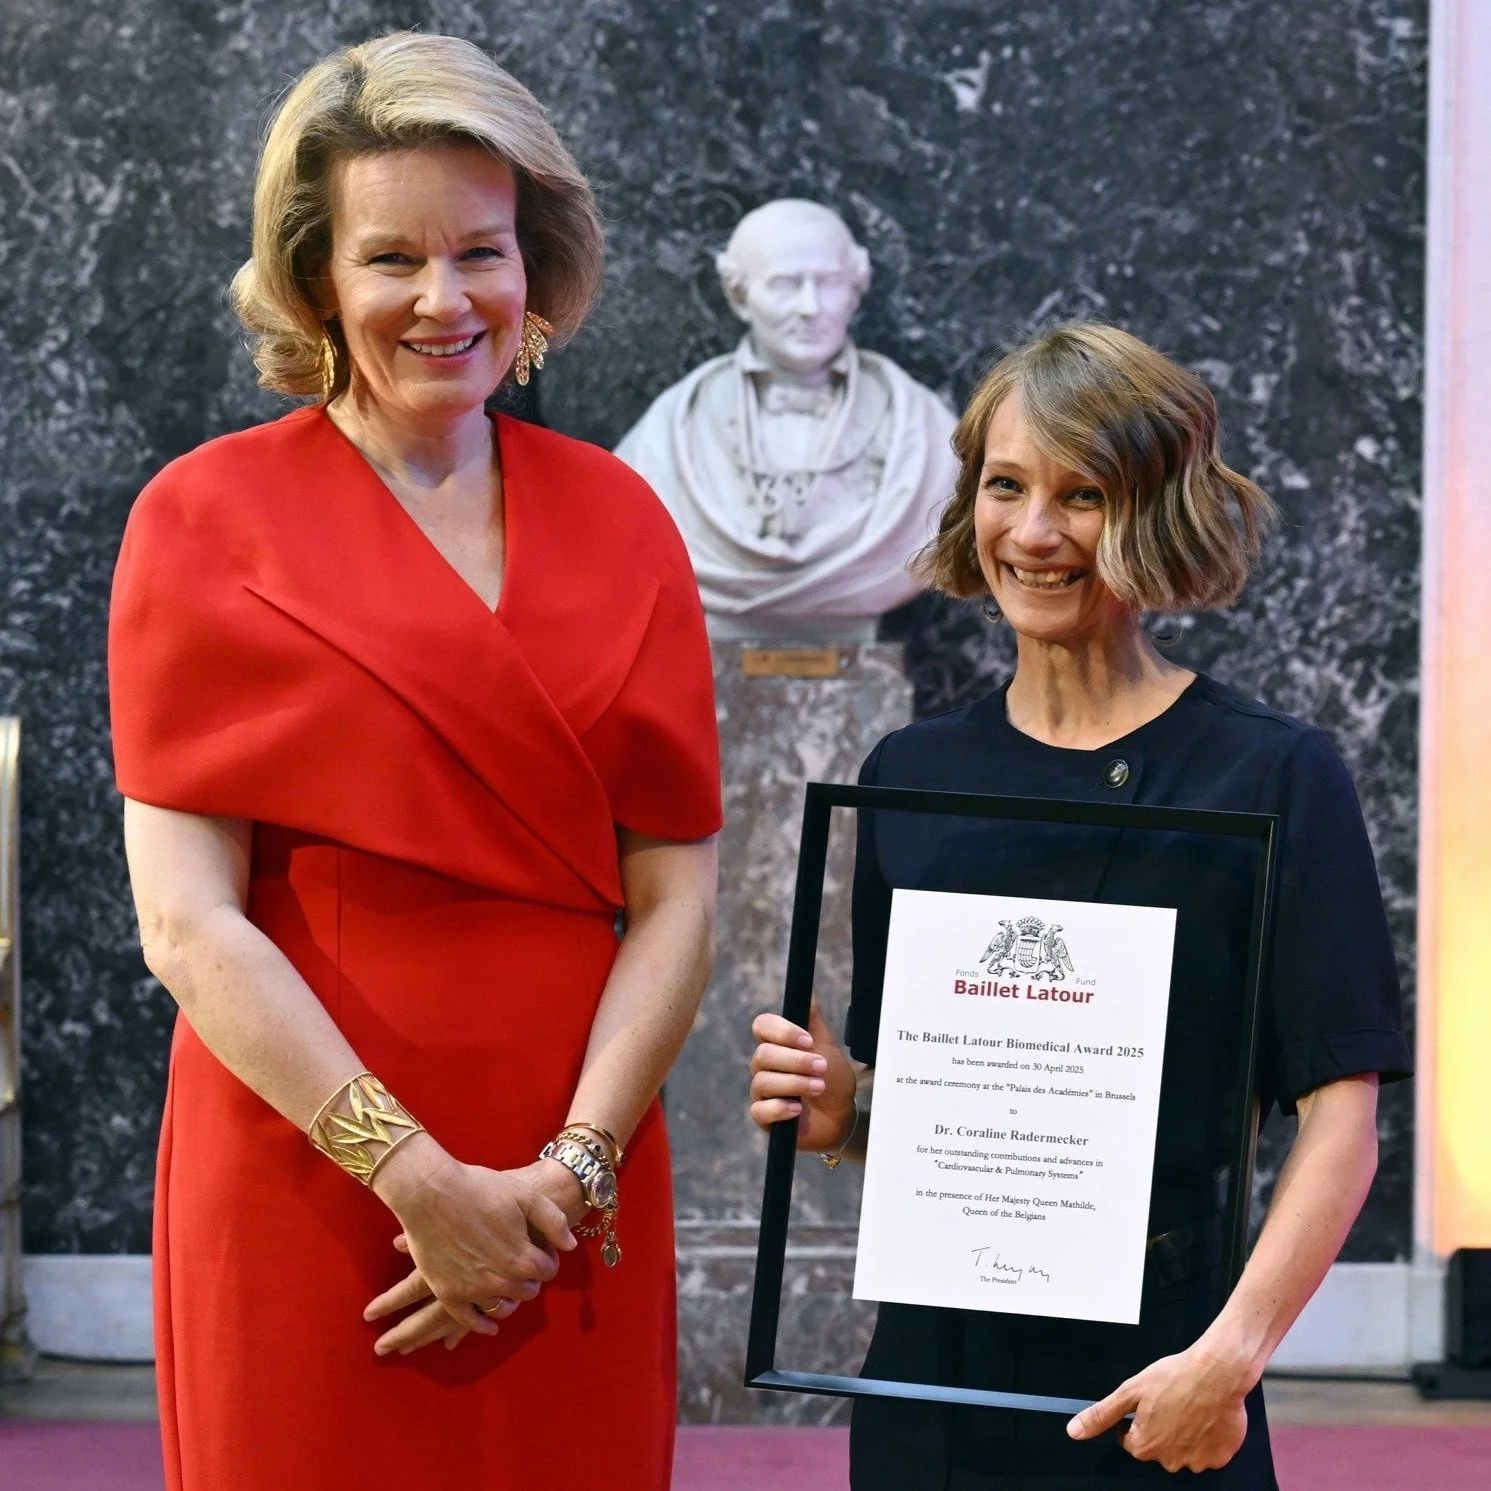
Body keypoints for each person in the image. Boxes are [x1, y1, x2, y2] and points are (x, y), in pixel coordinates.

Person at [108, 33, 720, 1491]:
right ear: (317, 276)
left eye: (481, 253)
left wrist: (564, 1173)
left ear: (536, 266)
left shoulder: (625, 516)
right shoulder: (204, 519)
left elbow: (680, 899)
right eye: (392, 258)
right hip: (313, 1180)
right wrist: (415, 1176)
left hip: (571, 1183)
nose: (444, 301)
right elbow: (186, 920)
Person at [748, 322, 1410, 1488]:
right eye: (1006, 486)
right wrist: (843, 1108)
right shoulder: (910, 773)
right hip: (930, 1395)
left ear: (1157, 513)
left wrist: (1230, 1361)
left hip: (1163, 1397)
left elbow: (1341, 1117)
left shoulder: (1268, 775)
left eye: (1086, 494)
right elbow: (927, 1103)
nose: (1036, 533)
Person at [614, 198, 958, 641]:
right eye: (785, 284)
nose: (809, 307)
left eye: (828, 283)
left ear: (855, 290)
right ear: (740, 296)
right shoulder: (674, 427)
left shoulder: (923, 428)